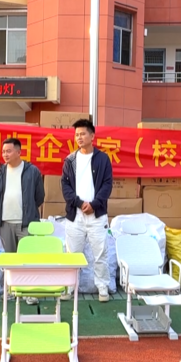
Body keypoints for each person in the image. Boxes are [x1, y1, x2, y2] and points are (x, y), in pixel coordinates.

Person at [61, 119, 113, 302]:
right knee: (72, 254)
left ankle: (102, 287)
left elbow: (107, 184)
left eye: (83, 134)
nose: (79, 137)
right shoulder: (70, 160)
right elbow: (65, 186)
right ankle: (69, 287)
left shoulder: (103, 159)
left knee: (100, 253)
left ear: (92, 136)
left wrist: (94, 204)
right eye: (77, 134)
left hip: (96, 215)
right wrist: (79, 203)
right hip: (75, 215)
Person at [0, 138, 44, 253]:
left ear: (19, 152)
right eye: (3, 152)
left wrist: (29, 209)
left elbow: (39, 197)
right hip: (5, 223)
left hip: (26, 223)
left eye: (8, 151)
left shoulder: (32, 171)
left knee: (26, 258)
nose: (5, 154)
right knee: (10, 258)